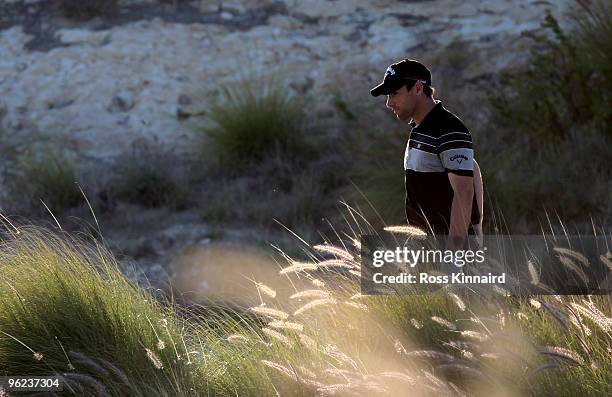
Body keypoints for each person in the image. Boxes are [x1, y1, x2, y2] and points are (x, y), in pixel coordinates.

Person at [370, 59, 483, 245]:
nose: (389, 103)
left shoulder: (448, 128)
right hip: (426, 250)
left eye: (395, 93)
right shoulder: (419, 130)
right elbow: (472, 167)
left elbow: (464, 192)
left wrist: (453, 253)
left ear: (417, 88)